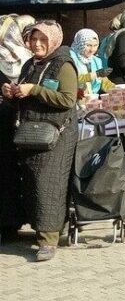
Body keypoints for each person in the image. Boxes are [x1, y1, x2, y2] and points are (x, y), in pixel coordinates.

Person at [2, 21, 79, 261]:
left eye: (42, 40)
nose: (37, 44)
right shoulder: (30, 64)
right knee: (31, 183)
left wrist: (33, 90)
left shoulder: (63, 64)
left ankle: (49, 240)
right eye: (33, 40)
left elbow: (67, 99)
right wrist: (13, 92)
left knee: (49, 185)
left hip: (56, 135)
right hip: (32, 133)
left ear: (53, 40)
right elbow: (27, 94)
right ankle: (27, 228)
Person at [0, 15, 32, 243]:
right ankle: (9, 224)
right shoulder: (27, 59)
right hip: (6, 124)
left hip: (24, 123)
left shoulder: (32, 59)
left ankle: (15, 221)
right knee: (8, 173)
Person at [70, 29, 107, 95]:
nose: (92, 50)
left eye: (95, 45)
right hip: (74, 100)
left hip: (93, 100)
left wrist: (116, 89)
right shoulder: (70, 58)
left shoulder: (96, 61)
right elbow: (71, 79)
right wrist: (94, 74)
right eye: (88, 45)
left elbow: (103, 82)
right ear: (80, 43)